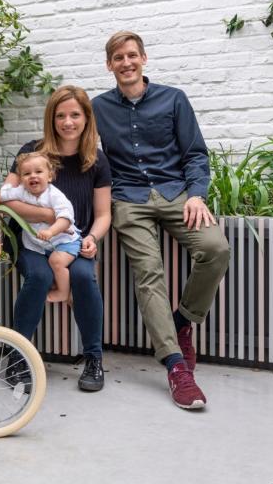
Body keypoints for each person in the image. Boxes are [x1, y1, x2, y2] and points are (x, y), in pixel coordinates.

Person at [91, 31, 230, 410]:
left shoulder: (174, 99)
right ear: (109, 65)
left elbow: (196, 154)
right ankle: (175, 366)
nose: (126, 63)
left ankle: (183, 319)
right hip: (128, 200)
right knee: (148, 272)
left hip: (176, 194)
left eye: (132, 55)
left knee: (216, 248)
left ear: (144, 59)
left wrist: (197, 193)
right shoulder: (97, 108)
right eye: (118, 58)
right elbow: (74, 148)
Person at [0, 86, 112, 392]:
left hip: (71, 242)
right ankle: (17, 357)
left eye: (75, 115)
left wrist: (92, 238)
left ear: (86, 118)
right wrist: (47, 218)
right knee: (39, 276)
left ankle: (94, 358)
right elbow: (8, 199)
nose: (68, 122)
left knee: (84, 276)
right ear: (51, 118)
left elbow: (104, 213)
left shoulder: (97, 161)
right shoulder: (33, 152)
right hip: (30, 240)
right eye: (60, 115)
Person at [0, 151, 80, 304]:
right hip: (38, 244)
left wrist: (51, 231)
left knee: (56, 262)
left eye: (38, 172)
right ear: (21, 179)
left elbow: (66, 219)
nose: (33, 176)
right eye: (27, 173)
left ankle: (63, 292)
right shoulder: (21, 192)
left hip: (64, 242)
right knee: (40, 272)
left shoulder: (55, 195)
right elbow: (3, 193)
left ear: (49, 176)